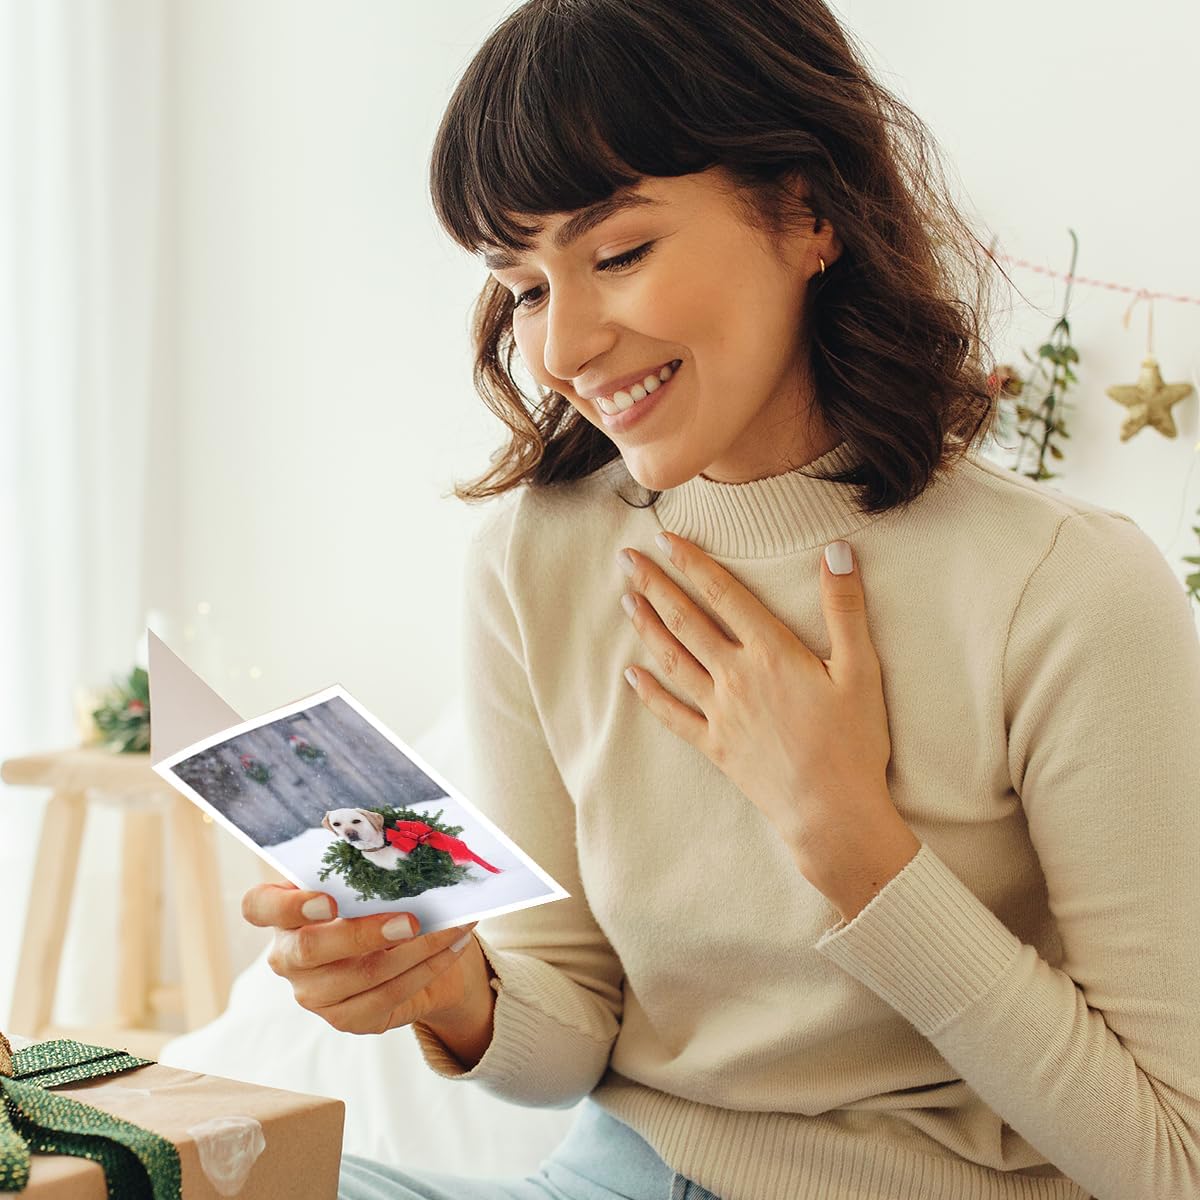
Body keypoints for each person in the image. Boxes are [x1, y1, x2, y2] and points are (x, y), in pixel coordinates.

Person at [240, 1, 1200, 1197]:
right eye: (525, 286)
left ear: (808, 212)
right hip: (619, 1170)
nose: (563, 349)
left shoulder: (1069, 594)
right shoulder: (532, 562)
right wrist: (453, 992)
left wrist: (856, 848)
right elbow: (575, 1025)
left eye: (619, 252)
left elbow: (1170, 1159)